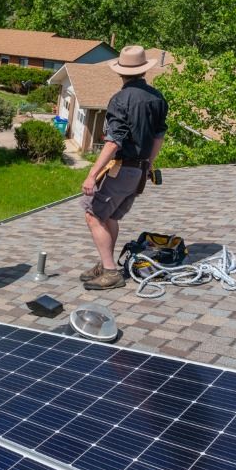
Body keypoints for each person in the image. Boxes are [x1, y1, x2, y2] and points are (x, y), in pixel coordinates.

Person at [79, 45, 169, 290]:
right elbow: (158, 137)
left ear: (121, 72)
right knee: (110, 216)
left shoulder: (120, 99)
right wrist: (148, 166)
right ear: (143, 72)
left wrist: (92, 175)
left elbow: (113, 142)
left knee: (93, 214)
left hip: (121, 168)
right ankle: (105, 262)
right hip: (139, 170)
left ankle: (110, 271)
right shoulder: (157, 98)